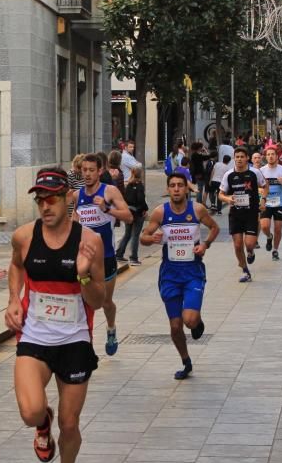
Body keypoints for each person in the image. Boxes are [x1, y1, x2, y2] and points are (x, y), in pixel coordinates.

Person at [6, 168, 107, 463]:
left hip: (75, 340)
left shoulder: (89, 242)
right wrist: (11, 300)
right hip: (34, 335)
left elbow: (98, 299)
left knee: (70, 423)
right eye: (40, 200)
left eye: (52, 198)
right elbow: (17, 266)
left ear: (68, 199)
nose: (45, 206)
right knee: (31, 411)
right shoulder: (23, 236)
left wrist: (81, 273)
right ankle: (41, 423)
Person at [141, 173, 219, 380]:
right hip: (169, 274)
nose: (176, 189)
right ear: (168, 189)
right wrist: (152, 238)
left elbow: (214, 227)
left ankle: (197, 321)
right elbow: (143, 237)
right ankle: (186, 361)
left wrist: (205, 244)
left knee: (189, 321)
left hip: (193, 272)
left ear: (186, 189)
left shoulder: (197, 210)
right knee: (175, 325)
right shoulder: (160, 212)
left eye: (180, 186)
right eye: (172, 186)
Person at [75, 154, 132, 355]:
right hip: (84, 259)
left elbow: (129, 216)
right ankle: (85, 344)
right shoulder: (77, 195)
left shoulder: (109, 191)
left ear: (100, 171)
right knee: (83, 303)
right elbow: (74, 223)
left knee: (105, 301)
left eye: (92, 170)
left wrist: (107, 208)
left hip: (106, 257)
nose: (88, 174)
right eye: (84, 170)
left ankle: (111, 328)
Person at [218, 147, 265, 283]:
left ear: (247, 158)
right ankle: (245, 270)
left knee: (249, 244)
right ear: (234, 158)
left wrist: (263, 200)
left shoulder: (255, 173)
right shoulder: (229, 175)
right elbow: (220, 194)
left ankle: (250, 252)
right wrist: (228, 199)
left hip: (251, 213)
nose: (239, 159)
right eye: (236, 157)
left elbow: (264, 186)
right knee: (238, 245)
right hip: (235, 214)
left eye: (241, 157)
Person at [259, 146, 282, 261]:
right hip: (266, 203)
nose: (271, 156)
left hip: (280, 203)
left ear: (277, 156)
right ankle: (269, 236)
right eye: (268, 154)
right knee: (264, 226)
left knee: (278, 229)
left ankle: (275, 250)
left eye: (273, 154)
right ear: (265, 157)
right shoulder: (262, 171)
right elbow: (257, 187)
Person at [116, 165, 148, 265]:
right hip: (138, 213)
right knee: (135, 235)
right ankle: (133, 258)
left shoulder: (129, 184)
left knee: (127, 234)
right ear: (140, 174)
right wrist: (145, 209)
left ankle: (119, 254)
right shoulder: (139, 186)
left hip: (129, 212)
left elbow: (125, 199)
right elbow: (141, 200)